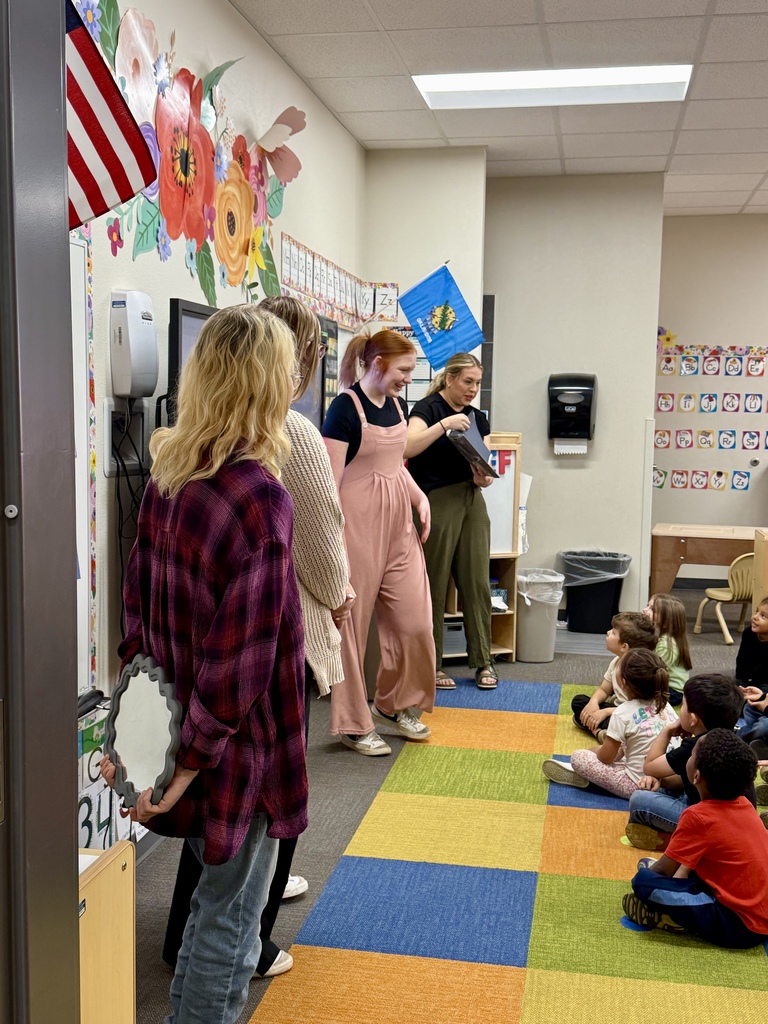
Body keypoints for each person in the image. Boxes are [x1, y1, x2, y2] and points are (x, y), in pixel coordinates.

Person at [103, 305, 308, 1024]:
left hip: (184, 733)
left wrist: (138, 744)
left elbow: (136, 622)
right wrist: (182, 765)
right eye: (286, 369)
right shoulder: (259, 497)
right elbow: (240, 663)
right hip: (235, 747)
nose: (293, 382)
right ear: (262, 382)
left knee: (215, 909)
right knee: (229, 919)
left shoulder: (168, 477)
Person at [161, 295, 353, 981]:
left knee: (217, 836)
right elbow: (322, 544)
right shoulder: (274, 464)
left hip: (193, 685)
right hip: (254, 688)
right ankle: (249, 941)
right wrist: (340, 596)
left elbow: (144, 609)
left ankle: (199, 933)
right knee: (250, 853)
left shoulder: (173, 462)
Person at [321, 328, 436, 754]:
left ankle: (395, 702)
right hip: (356, 525)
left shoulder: (397, 404)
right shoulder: (344, 409)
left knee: (416, 620)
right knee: (352, 626)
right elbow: (329, 482)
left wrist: (418, 496)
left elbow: (394, 465)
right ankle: (353, 723)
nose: (409, 377)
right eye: (404, 369)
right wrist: (330, 542)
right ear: (378, 363)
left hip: (397, 527)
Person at [624, 729, 768, 949]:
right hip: (756, 908)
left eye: (691, 754)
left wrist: (651, 878)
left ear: (696, 776)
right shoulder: (745, 805)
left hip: (739, 926)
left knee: (643, 881)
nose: (687, 756)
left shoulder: (698, 816)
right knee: (680, 876)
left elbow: (663, 871)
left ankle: (675, 921)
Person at [404, 352, 497, 690]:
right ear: (450, 379)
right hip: (435, 499)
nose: (473, 389)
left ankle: (484, 661)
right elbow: (407, 447)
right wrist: (444, 426)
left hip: (471, 497)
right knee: (433, 581)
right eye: (468, 382)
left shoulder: (477, 417)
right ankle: (431, 664)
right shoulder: (428, 408)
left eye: (477, 383)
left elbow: (485, 462)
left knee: (476, 582)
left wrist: (483, 476)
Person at [624, 673, 744, 851]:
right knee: (660, 784)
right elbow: (685, 779)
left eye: (683, 705)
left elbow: (649, 767)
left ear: (693, 719)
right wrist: (661, 780)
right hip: (729, 817)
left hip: (707, 823)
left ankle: (678, 841)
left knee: (640, 799)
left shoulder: (695, 747)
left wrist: (667, 731)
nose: (680, 710)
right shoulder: (732, 738)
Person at [543, 649, 677, 798]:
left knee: (578, 757)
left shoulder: (622, 712)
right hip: (673, 781)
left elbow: (605, 758)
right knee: (627, 748)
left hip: (641, 786)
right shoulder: (665, 705)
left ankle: (585, 776)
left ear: (623, 682)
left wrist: (590, 752)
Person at [571, 612, 658, 740]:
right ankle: (603, 731)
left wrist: (605, 712)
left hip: (636, 716)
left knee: (620, 724)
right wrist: (593, 703)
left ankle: (600, 732)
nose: (608, 632)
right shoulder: (616, 661)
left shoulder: (639, 672)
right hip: (617, 709)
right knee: (579, 702)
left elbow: (638, 709)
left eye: (613, 632)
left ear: (624, 646)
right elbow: (604, 689)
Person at [643, 593, 691, 707]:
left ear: (666, 622)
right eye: (647, 606)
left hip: (671, 691)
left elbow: (654, 672)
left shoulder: (667, 644)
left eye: (652, 609)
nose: (645, 610)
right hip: (663, 685)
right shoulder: (660, 636)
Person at [735, 597, 768, 745]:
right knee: (727, 694)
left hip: (765, 688)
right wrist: (740, 686)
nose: (754, 617)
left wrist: (762, 698)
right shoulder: (749, 633)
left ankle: (741, 739)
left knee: (763, 725)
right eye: (756, 612)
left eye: (763, 616)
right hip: (753, 686)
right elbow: (741, 664)